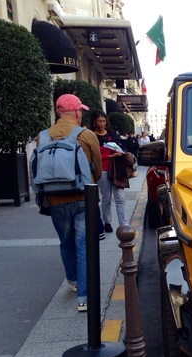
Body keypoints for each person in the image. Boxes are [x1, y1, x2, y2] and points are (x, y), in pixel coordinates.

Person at [36, 94, 102, 312]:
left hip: (55, 200)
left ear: (58, 112)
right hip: (83, 198)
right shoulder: (86, 135)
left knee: (66, 242)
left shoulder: (42, 137)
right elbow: (98, 171)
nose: (81, 113)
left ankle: (73, 280)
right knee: (83, 245)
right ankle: (84, 298)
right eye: (80, 110)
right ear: (76, 112)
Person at [91, 110, 127, 233]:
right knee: (106, 199)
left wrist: (119, 151)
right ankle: (107, 222)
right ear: (94, 122)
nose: (102, 123)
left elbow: (119, 146)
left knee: (120, 198)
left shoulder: (111, 133)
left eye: (104, 121)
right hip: (103, 170)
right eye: (99, 121)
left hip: (116, 170)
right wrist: (110, 156)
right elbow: (94, 156)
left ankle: (124, 223)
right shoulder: (92, 136)